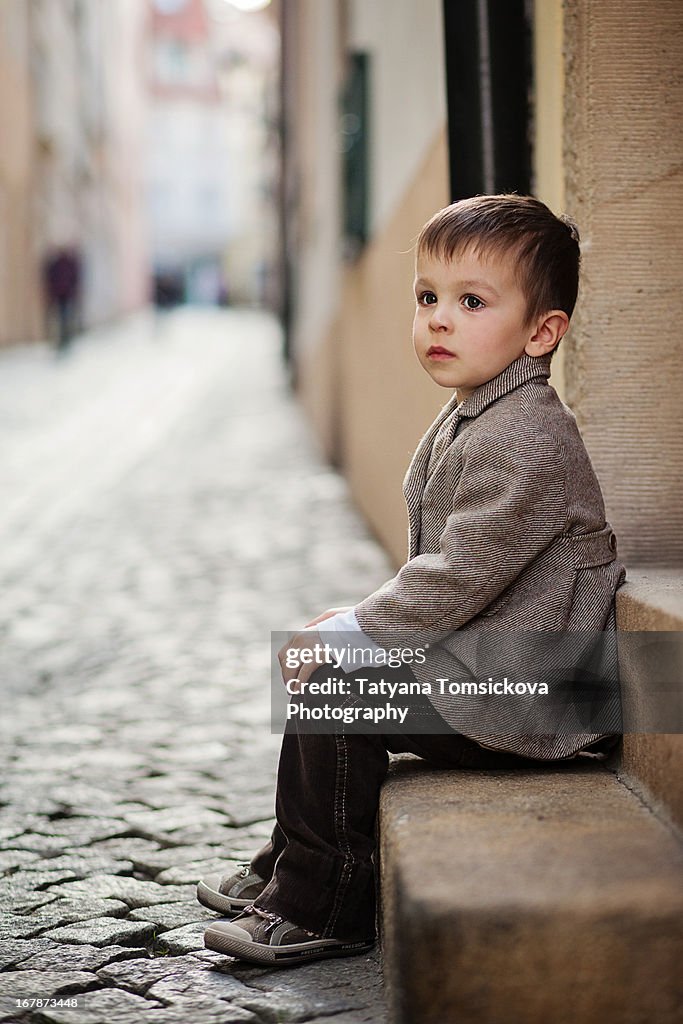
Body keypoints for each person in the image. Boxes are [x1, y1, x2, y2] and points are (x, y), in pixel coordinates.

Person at [197, 194, 626, 966]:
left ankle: (322, 903)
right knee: (334, 672)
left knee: (336, 690)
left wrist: (354, 632)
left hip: (546, 690)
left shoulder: (525, 432)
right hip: (504, 662)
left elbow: (461, 571)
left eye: (470, 302)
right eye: (427, 297)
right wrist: (359, 622)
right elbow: (455, 574)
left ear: (541, 332)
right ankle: (286, 870)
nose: (437, 319)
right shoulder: (478, 409)